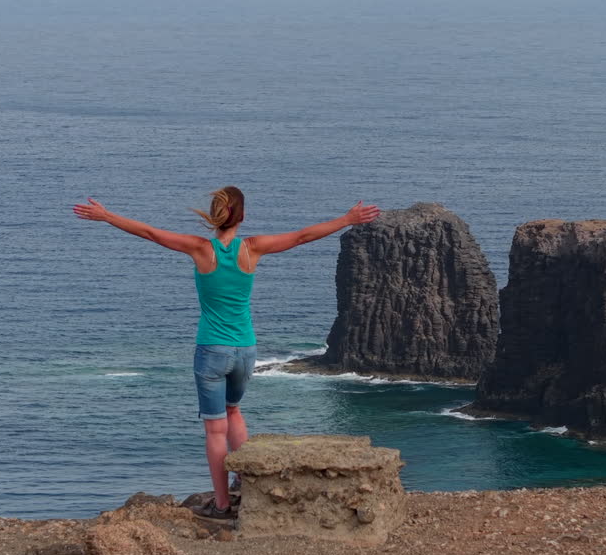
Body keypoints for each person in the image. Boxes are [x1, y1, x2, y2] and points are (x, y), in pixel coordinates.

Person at [72, 187, 380, 518]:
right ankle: (243, 482)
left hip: (212, 350)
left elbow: (149, 233)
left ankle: (221, 504)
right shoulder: (252, 248)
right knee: (234, 411)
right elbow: (303, 236)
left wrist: (107, 216)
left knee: (215, 428)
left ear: (215, 215)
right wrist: (347, 219)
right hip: (246, 349)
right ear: (242, 216)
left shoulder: (201, 248)